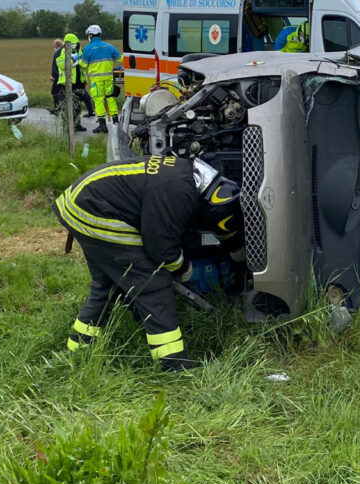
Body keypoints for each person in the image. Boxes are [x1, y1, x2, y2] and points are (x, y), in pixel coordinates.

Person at [54, 154, 244, 372]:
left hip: (80, 202)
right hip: (91, 208)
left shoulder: (185, 174)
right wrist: (184, 268)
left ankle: (78, 349)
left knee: (107, 285)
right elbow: (160, 247)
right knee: (152, 282)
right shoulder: (180, 193)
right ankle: (173, 363)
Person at [80, 24, 122, 134]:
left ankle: (102, 126)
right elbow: (119, 58)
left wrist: (78, 59)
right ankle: (116, 121)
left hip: (97, 80)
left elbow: (83, 65)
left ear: (90, 36)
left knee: (98, 100)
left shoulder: (88, 48)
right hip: (109, 78)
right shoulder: (109, 46)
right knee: (110, 98)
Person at [52, 33, 88, 132]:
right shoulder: (61, 52)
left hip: (79, 83)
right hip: (67, 83)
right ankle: (67, 126)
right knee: (68, 106)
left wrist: (79, 60)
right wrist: (72, 60)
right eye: (74, 44)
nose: (76, 46)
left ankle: (77, 124)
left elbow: (84, 64)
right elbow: (61, 65)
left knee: (77, 106)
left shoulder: (78, 51)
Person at [48, 38, 64, 114]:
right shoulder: (64, 52)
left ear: (57, 45)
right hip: (63, 77)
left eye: (54, 46)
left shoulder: (57, 53)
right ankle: (59, 107)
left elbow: (56, 66)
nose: (53, 47)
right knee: (61, 92)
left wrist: (53, 76)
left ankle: (57, 108)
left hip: (58, 77)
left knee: (54, 92)